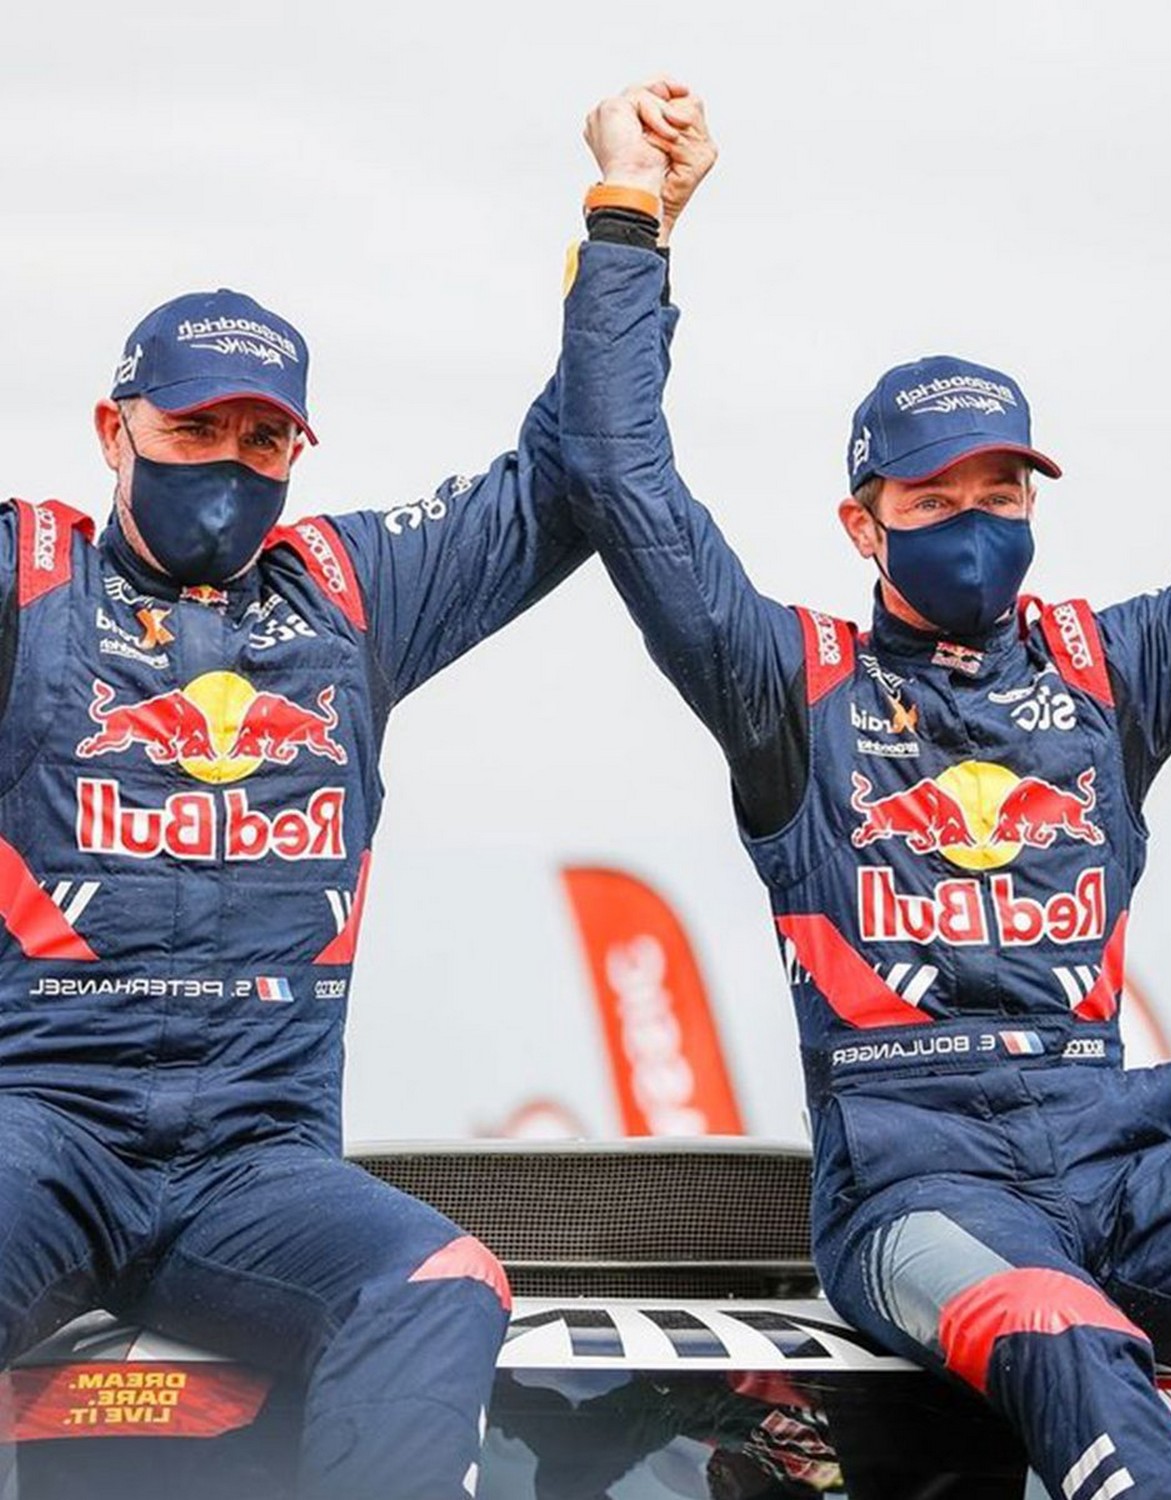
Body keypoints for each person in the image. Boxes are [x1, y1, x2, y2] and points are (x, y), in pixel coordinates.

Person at [0, 122, 708, 1498]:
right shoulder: (32, 581)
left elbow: (562, 480)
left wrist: (630, 223)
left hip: (258, 1168)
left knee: (446, 1280)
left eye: (265, 437)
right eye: (195, 426)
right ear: (113, 429)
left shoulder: (347, 594)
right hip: (43, 1132)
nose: (232, 459)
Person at [562, 82, 1171, 1498]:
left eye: (1004, 493)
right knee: (1063, 1338)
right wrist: (631, 219)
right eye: (936, 498)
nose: (977, 524)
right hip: (918, 1198)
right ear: (863, 520)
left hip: (1131, 1157)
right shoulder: (790, 682)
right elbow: (619, 480)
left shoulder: (1118, 669)